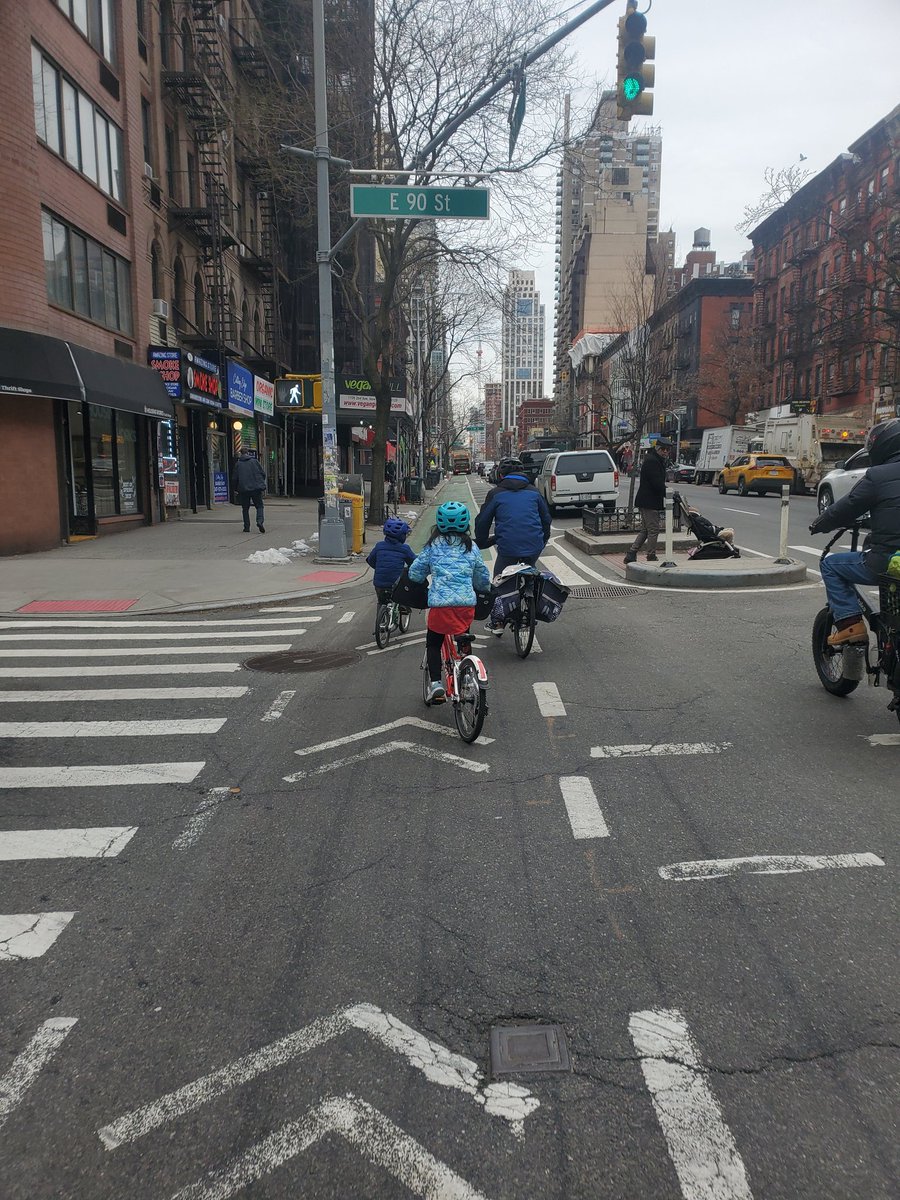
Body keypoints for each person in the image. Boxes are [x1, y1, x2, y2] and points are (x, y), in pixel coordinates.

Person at [809, 418, 900, 646]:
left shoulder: (878, 476)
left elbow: (847, 506)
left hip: (889, 562)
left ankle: (851, 626)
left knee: (830, 565)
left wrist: (820, 524)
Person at [408, 501, 491, 704]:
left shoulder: (432, 547)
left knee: (433, 643)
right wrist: (483, 588)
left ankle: (436, 684)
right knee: (463, 636)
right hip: (465, 606)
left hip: (440, 607)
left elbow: (415, 573)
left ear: (438, 523)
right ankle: (467, 676)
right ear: (466, 524)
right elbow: (481, 577)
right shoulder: (471, 547)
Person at [624, 437, 672, 563]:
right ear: (658, 449)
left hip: (648, 500)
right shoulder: (652, 461)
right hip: (649, 501)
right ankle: (651, 555)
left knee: (645, 529)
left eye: (668, 449)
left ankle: (631, 553)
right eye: (663, 449)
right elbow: (656, 483)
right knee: (653, 529)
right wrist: (668, 492)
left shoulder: (656, 460)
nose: (666, 452)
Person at [366, 517, 416, 608]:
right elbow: (414, 563)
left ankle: (381, 613)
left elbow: (370, 561)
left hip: (379, 584)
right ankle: (402, 607)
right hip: (397, 584)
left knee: (381, 602)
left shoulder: (379, 546)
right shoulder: (404, 549)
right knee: (402, 596)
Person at [232, 450, 267, 533]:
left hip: (244, 489)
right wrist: (260, 482)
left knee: (245, 508)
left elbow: (235, 478)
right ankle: (259, 521)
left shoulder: (238, 464)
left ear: (241, 454)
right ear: (247, 453)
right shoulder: (255, 462)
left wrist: (235, 489)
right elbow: (262, 473)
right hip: (256, 488)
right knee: (259, 506)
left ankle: (246, 527)